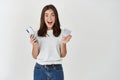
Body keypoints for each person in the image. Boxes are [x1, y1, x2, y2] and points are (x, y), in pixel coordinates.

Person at [30, 4, 72, 80]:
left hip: (56, 70)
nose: (49, 18)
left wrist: (63, 43)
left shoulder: (61, 33)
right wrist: (34, 44)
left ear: (56, 17)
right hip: (40, 70)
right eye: (46, 15)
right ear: (43, 18)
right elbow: (34, 56)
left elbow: (63, 54)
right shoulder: (37, 34)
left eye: (52, 15)